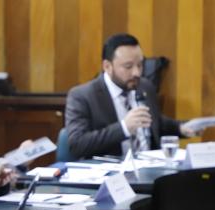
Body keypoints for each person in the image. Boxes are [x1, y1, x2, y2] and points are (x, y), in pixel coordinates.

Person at [65, 33, 201, 160]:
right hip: (112, 176)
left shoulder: (145, 86)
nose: (137, 72)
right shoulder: (82, 96)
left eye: (140, 65)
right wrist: (124, 128)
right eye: (128, 66)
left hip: (150, 169)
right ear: (107, 66)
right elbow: (77, 145)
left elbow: (156, 122)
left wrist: (181, 128)